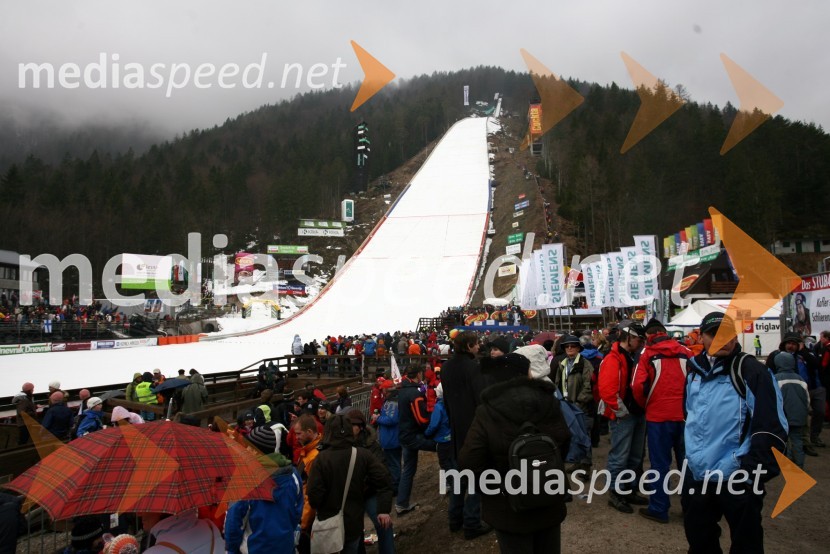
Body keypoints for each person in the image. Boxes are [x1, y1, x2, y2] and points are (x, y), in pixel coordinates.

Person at [683, 312, 788, 553]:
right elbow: (690, 418)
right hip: (699, 475)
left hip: (736, 476)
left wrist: (751, 473)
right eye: (714, 334)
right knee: (699, 540)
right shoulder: (693, 371)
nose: (723, 340)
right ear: (702, 337)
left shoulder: (751, 370)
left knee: (746, 544)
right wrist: (690, 463)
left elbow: (772, 428)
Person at [459, 351, 571, 553]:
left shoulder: (487, 411)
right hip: (548, 494)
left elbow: (469, 461)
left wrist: (495, 488)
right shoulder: (548, 401)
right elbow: (564, 440)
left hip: (508, 506)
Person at [631, 318, 691, 524]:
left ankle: (659, 508)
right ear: (665, 332)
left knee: (659, 464)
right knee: (688, 463)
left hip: (658, 416)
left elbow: (637, 386)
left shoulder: (646, 355)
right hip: (685, 415)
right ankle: (691, 507)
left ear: (648, 337)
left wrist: (646, 404)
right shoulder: (686, 352)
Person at [307, 415, 392, 554]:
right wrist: (383, 508)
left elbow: (314, 495)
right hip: (353, 522)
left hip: (329, 523)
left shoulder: (321, 459)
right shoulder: (363, 455)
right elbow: (384, 479)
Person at [439, 331, 489, 538]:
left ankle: (454, 519)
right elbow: (481, 398)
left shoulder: (446, 367)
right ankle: (471, 523)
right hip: (474, 427)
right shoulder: (474, 367)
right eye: (476, 344)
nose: (478, 347)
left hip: (456, 426)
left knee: (459, 475)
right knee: (477, 477)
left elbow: (447, 398)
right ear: (469, 346)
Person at [598, 321, 648, 513]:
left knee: (635, 456)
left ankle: (628, 489)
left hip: (636, 412)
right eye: (638, 338)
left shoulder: (632, 355)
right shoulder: (613, 358)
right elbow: (608, 391)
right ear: (628, 337)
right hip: (625, 414)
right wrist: (621, 412)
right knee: (620, 456)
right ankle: (616, 493)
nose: (641, 342)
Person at [224, 453, 303, 554]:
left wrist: (231, 550)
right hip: (284, 547)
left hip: (255, 549)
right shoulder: (294, 475)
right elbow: (297, 512)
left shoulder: (244, 479)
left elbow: (233, 523)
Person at [346, 409, 396, 554]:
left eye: (353, 425)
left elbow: (381, 474)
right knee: (354, 530)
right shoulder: (342, 445)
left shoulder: (372, 446)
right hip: (352, 494)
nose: (349, 428)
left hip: (369, 491)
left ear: (360, 427)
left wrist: (384, 509)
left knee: (384, 523)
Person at [766, 332, 823, 455]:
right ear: (784, 344)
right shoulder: (775, 356)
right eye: (789, 343)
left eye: (794, 344)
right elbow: (768, 372)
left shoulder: (802, 355)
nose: (791, 346)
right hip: (784, 391)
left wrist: (803, 352)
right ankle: (784, 449)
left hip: (803, 390)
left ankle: (805, 445)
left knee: (802, 422)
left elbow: (816, 365)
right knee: (785, 423)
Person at [395, 365, 437, 516]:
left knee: (408, 469)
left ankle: (401, 503)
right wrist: (432, 429)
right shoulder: (414, 393)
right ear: (418, 374)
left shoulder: (402, 391)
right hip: (414, 436)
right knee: (443, 447)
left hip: (405, 434)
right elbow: (422, 418)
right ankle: (453, 483)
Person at [552, 335, 594, 472]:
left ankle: (586, 466)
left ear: (578, 348)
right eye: (567, 346)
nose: (569, 348)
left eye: (573, 346)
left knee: (584, 435)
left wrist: (579, 401)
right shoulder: (562, 363)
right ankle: (577, 461)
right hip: (566, 405)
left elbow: (589, 385)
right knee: (572, 434)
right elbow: (558, 382)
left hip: (580, 406)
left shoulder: (585, 363)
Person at [772, 352, 809, 468]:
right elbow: (807, 399)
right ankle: (799, 463)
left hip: (784, 416)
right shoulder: (801, 379)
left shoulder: (776, 379)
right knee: (797, 439)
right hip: (799, 415)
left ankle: (786, 463)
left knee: (784, 439)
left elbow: (773, 399)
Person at [294, 414, 322, 554]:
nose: (296, 437)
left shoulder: (312, 457)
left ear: (309, 432)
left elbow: (311, 491)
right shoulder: (310, 450)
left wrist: (303, 523)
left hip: (309, 517)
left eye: (299, 434)